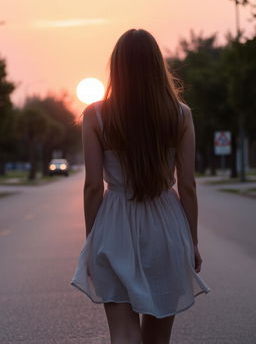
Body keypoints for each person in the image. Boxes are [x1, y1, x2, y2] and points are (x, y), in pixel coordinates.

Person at [71, 28, 211, 344]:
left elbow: (92, 186)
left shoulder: (96, 115)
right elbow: (187, 185)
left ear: (116, 67)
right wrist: (193, 240)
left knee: (123, 332)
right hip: (166, 226)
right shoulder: (180, 115)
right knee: (157, 338)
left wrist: (91, 240)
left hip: (115, 225)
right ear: (157, 66)